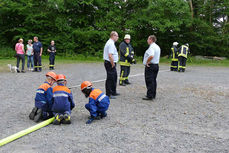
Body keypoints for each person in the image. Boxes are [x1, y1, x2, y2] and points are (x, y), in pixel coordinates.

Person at [142, 35, 161, 100]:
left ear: (151, 39)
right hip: (156, 65)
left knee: (149, 80)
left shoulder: (152, 47)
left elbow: (151, 56)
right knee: (153, 80)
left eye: (148, 39)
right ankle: (153, 94)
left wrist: (147, 62)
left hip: (151, 66)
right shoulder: (157, 46)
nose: (147, 41)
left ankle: (149, 95)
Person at [103, 31, 120, 99]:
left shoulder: (111, 43)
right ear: (113, 36)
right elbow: (110, 55)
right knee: (110, 78)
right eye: (117, 36)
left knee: (114, 77)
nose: (117, 38)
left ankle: (113, 91)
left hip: (111, 63)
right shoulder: (111, 44)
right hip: (110, 63)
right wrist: (112, 63)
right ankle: (109, 93)